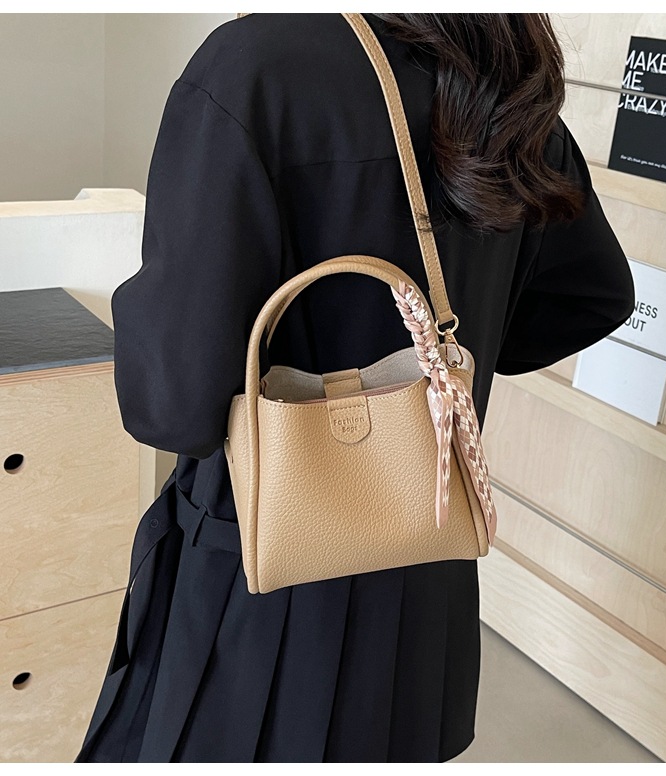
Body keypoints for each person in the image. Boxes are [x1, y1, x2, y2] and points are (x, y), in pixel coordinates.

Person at [76, 13, 635, 763]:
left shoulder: (256, 69)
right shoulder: (506, 79)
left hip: (261, 581)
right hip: (427, 561)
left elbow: (173, 405)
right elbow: (594, 295)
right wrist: (440, 367)